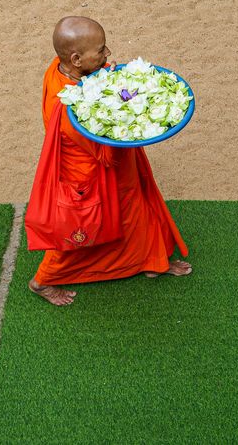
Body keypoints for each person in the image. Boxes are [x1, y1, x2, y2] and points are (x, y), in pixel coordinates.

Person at [28, 16, 192, 306]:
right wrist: (130, 113)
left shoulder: (60, 68)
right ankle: (43, 281)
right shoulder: (66, 108)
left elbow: (89, 84)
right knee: (82, 228)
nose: (108, 55)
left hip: (101, 168)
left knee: (134, 206)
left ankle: (152, 260)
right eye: (101, 50)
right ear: (77, 59)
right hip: (88, 174)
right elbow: (105, 148)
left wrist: (104, 77)